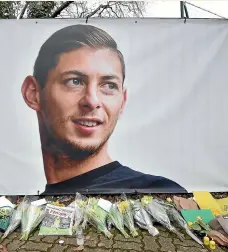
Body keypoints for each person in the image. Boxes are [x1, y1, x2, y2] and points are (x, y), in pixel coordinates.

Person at [21, 24, 187, 195]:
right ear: (33, 93)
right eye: (75, 81)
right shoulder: (26, 209)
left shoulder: (161, 193)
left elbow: (205, 220)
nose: (92, 101)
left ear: (122, 101)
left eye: (109, 85)